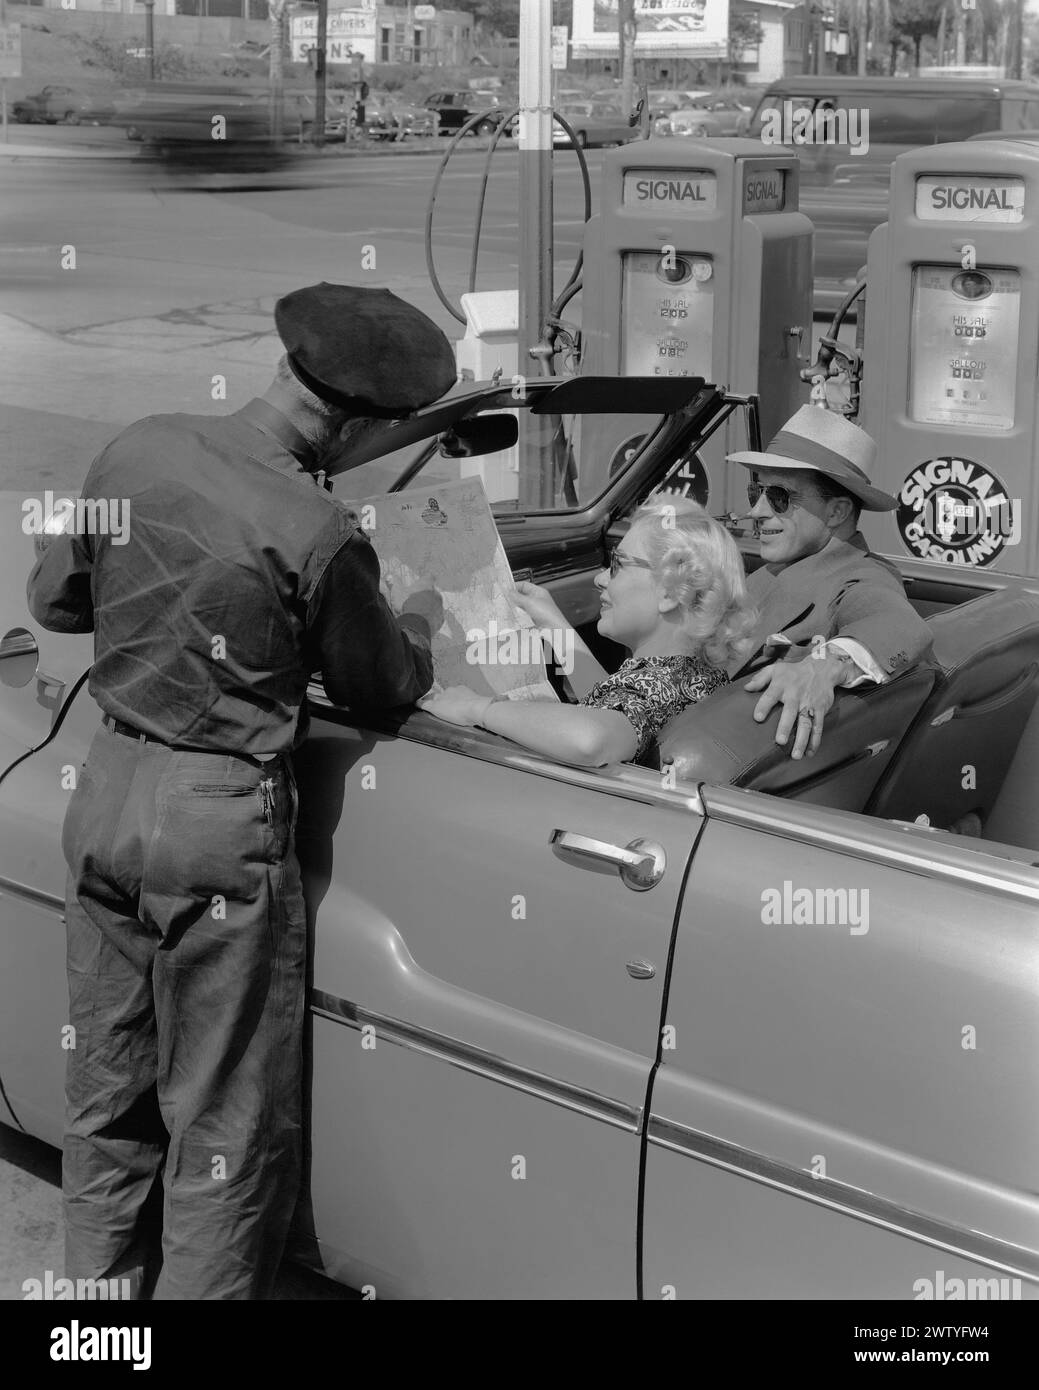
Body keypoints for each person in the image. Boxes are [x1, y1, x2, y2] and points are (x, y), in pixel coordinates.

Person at [26, 282, 457, 1300]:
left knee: (107, 1085)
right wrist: (425, 621)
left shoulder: (138, 446)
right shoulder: (316, 529)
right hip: (216, 821)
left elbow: (56, 598)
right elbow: (379, 683)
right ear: (352, 421)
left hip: (107, 788)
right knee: (222, 1118)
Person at [420, 500, 757, 767]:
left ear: (669, 594)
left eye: (617, 565)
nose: (600, 578)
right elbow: (610, 702)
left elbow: (591, 739)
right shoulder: (690, 677)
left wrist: (477, 708)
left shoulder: (651, 689)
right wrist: (551, 620)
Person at [727, 405, 933, 760]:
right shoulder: (783, 565)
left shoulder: (861, 576)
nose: (757, 511)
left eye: (779, 497)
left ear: (836, 512)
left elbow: (900, 624)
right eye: (755, 492)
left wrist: (824, 665)